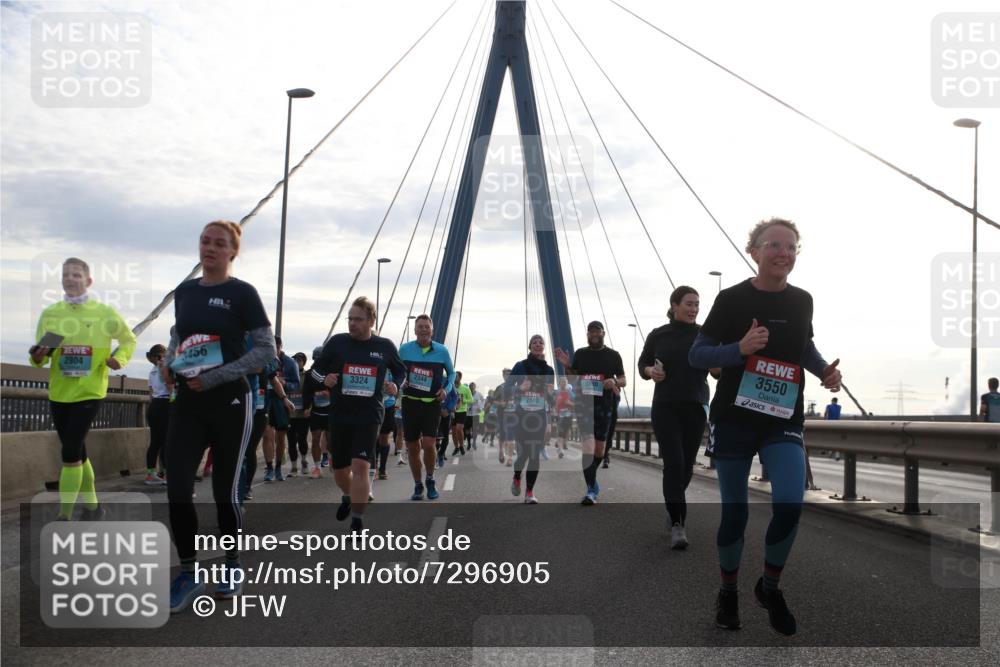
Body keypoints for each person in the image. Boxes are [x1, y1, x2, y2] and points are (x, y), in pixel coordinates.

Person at [689, 217, 842, 636]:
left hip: (782, 419)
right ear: (753, 251)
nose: (783, 253)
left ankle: (769, 587)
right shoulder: (732, 300)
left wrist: (823, 370)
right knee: (735, 515)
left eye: (790, 247)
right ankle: (728, 591)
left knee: (791, 503)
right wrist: (738, 349)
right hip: (735, 419)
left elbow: (803, 345)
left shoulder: (802, 300)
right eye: (773, 245)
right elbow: (697, 356)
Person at [162, 220, 276, 612]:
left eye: (219, 243)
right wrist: (170, 360)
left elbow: (266, 351)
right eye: (204, 241)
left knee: (225, 492)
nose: (209, 247)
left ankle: (231, 564)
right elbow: (180, 332)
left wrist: (215, 377)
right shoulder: (185, 290)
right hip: (188, 403)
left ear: (233, 252)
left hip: (230, 402)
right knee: (177, 489)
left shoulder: (242, 294)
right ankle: (189, 571)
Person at [30, 257, 138, 520]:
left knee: (69, 451)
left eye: (76, 275)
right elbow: (40, 359)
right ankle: (93, 508)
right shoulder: (51, 314)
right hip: (59, 392)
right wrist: (37, 356)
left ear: (88, 281)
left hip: (90, 391)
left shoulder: (104, 313)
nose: (70, 279)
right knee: (77, 451)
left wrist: (119, 359)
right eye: (66, 275)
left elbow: (128, 340)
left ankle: (64, 516)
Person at [310, 297, 406, 532]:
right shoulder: (337, 343)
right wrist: (326, 379)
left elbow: (401, 371)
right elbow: (315, 371)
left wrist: (395, 385)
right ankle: (348, 495)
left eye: (358, 319)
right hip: (340, 414)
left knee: (361, 466)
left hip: (370, 414)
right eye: (350, 319)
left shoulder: (384, 347)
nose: (352, 324)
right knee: (340, 469)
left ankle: (357, 519)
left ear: (372, 320)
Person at [638, 286, 718, 549]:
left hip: (695, 406)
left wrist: (721, 364)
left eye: (697, 304)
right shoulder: (658, 335)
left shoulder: (705, 334)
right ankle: (677, 523)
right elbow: (642, 366)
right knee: (673, 462)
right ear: (674, 305)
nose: (694, 309)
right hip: (666, 406)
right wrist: (651, 371)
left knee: (685, 467)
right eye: (689, 304)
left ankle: (673, 503)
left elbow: (717, 369)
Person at [555, 321, 626, 505]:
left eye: (597, 331)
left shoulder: (613, 355)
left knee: (599, 450)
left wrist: (614, 382)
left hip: (605, 406)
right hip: (584, 406)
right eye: (591, 331)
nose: (594, 334)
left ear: (603, 333)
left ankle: (592, 483)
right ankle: (591, 489)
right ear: (587, 334)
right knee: (587, 448)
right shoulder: (581, 353)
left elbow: (623, 379)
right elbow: (573, 376)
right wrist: (565, 365)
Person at [398, 315, 456, 501]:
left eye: (426, 327)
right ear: (415, 330)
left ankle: (430, 479)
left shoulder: (442, 351)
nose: (423, 329)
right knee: (413, 447)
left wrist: (446, 389)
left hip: (432, 404)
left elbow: (452, 372)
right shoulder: (404, 349)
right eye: (420, 327)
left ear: (432, 330)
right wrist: (400, 382)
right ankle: (418, 485)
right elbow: (395, 371)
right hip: (410, 402)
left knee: (429, 445)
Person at [506, 335, 556, 504]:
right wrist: (519, 388)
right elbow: (505, 390)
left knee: (534, 454)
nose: (537, 344)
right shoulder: (520, 366)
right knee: (523, 454)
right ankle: (517, 476)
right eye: (534, 342)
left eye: (540, 342)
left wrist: (550, 395)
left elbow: (552, 399)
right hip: (521, 416)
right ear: (529, 346)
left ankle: (529, 492)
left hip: (539, 417)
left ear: (543, 347)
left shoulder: (549, 370)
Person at [261, 337, 298, 482]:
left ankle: (278, 468)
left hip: (281, 402)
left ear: (280, 347)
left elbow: (295, 384)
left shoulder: (289, 363)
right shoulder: (263, 359)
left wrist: (285, 383)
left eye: (276, 347)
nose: (273, 350)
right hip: (265, 399)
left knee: (281, 438)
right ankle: (269, 468)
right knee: (267, 435)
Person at [301, 346, 331, 480]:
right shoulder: (310, 374)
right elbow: (306, 392)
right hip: (316, 411)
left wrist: (330, 394)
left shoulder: (333, 372)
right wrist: (306, 407)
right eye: (316, 358)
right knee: (315, 439)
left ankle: (332, 462)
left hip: (331, 411)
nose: (317, 361)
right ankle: (317, 467)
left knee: (332, 440)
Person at [145, 344, 171, 485]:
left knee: (155, 442)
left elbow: (151, 394)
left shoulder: (152, 371)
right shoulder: (165, 368)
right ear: (161, 354)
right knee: (167, 441)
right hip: (165, 405)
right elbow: (170, 387)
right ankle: (166, 475)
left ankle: (150, 475)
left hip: (154, 406)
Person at [287, 352, 310, 476]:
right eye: (295, 359)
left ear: (304, 362)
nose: (297, 362)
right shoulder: (288, 374)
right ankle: (294, 467)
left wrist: (309, 408)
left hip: (303, 414)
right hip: (290, 414)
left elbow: (311, 392)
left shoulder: (307, 376)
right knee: (291, 441)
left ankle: (304, 460)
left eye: (300, 360)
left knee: (302, 439)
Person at [437, 384, 459, 468]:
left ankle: (441, 454)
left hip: (446, 413)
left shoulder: (448, 382)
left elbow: (455, 397)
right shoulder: (433, 378)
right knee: (434, 435)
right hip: (434, 411)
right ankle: (434, 456)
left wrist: (448, 409)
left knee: (445, 436)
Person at [452, 372, 472, 455]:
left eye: (456, 376)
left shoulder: (465, 388)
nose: (455, 377)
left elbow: (471, 400)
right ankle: (456, 447)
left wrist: (464, 400)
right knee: (453, 431)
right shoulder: (451, 387)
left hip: (462, 411)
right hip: (452, 411)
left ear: (460, 378)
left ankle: (461, 446)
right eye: (454, 376)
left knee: (459, 429)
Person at [553, 377, 574, 459]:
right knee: (560, 432)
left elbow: (575, 403)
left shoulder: (570, 392)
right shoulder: (557, 392)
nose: (563, 383)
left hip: (568, 415)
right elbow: (554, 402)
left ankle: (561, 445)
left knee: (566, 432)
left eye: (565, 382)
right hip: (560, 415)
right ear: (559, 384)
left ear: (567, 383)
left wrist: (569, 403)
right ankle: (561, 450)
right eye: (562, 382)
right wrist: (554, 410)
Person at [466, 381, 484, 450]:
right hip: (468, 414)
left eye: (473, 387)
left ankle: (474, 442)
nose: (472, 388)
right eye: (471, 387)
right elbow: (463, 401)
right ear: (469, 387)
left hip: (476, 414)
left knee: (475, 429)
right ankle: (469, 443)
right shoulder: (467, 393)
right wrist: (467, 407)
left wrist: (481, 408)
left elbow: (483, 401)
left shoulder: (479, 394)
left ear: (475, 387)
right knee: (467, 429)